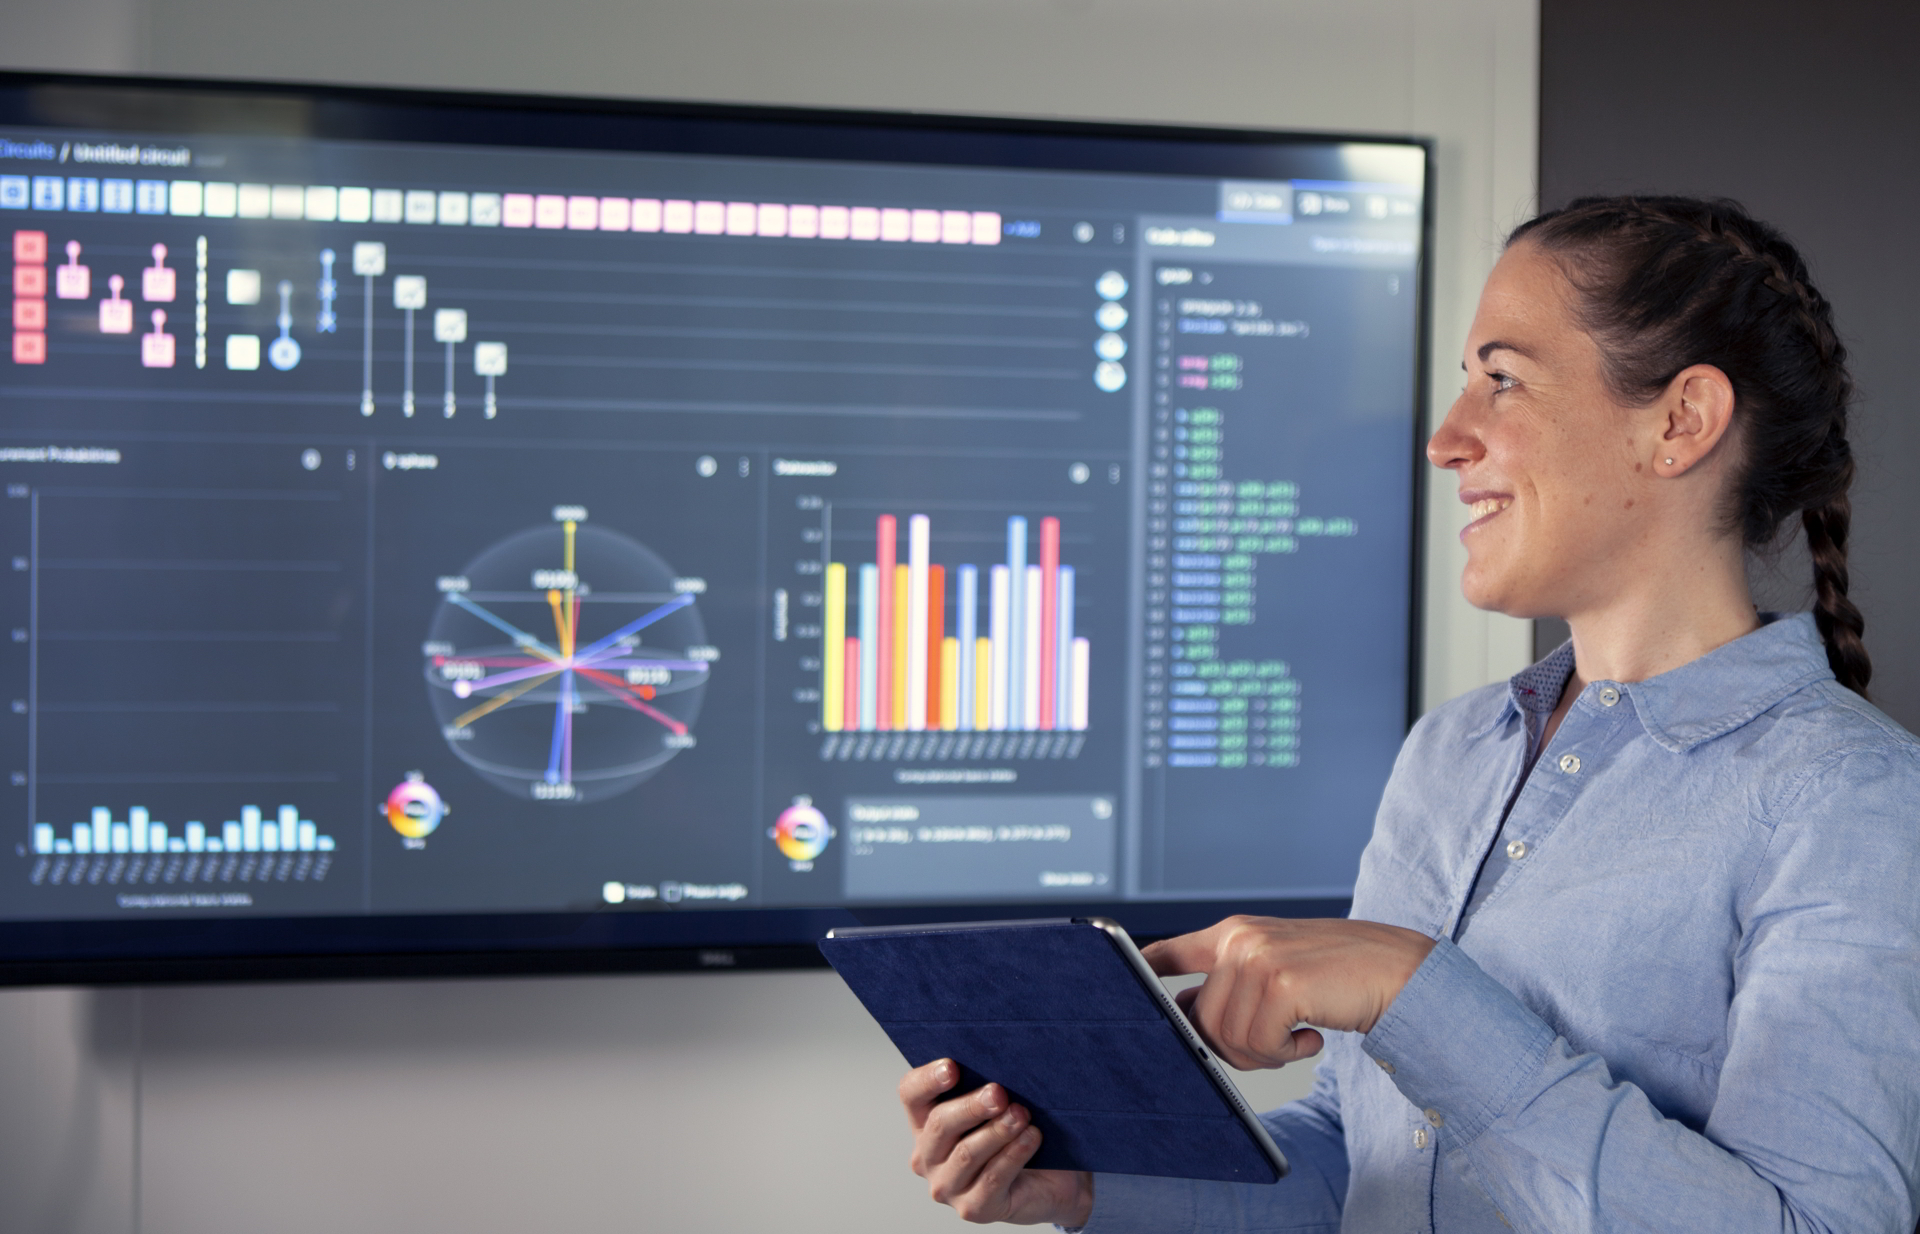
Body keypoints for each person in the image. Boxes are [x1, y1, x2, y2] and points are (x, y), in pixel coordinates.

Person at [895, 195, 1920, 1232]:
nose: (1446, 438)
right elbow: (1363, 1159)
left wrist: (1412, 988)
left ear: (1679, 422)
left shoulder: (1850, 802)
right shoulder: (1452, 753)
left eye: (1502, 379)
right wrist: (1087, 1182)